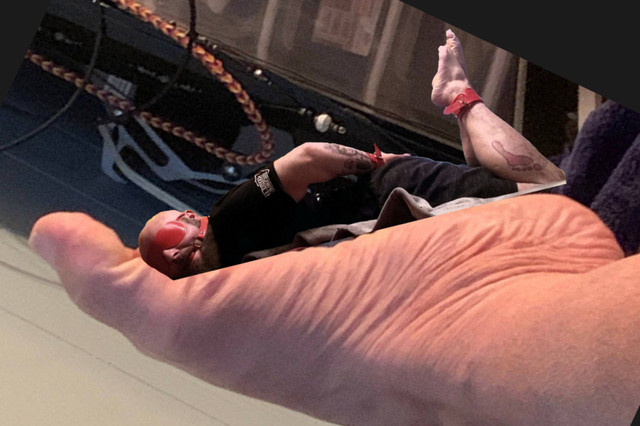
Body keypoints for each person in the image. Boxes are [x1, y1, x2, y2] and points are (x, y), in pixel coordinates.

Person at [138, 30, 566, 278]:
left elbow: (305, 167)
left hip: (391, 213)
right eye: (183, 219)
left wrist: (379, 166)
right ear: (178, 251)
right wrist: (378, 161)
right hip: (388, 200)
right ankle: (457, 96)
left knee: (523, 194)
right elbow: (308, 157)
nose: (193, 215)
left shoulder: (231, 255)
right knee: (543, 193)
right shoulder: (228, 228)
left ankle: (458, 98)